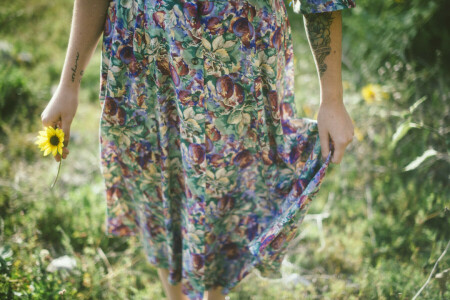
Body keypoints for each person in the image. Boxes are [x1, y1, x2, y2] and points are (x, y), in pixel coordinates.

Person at [40, 0, 355, 299]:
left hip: (234, 55)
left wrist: (332, 98)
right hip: (142, 55)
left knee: (226, 195)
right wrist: (68, 85)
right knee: (156, 185)